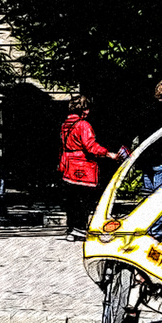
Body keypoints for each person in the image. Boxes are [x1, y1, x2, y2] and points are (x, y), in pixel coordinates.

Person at [57, 94, 121, 241]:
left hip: (68, 165)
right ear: (82, 109)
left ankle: (71, 228)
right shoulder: (83, 125)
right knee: (84, 200)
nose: (88, 112)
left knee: (72, 200)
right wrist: (108, 154)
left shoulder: (65, 125)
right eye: (86, 109)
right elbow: (91, 147)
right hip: (83, 167)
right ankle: (80, 228)